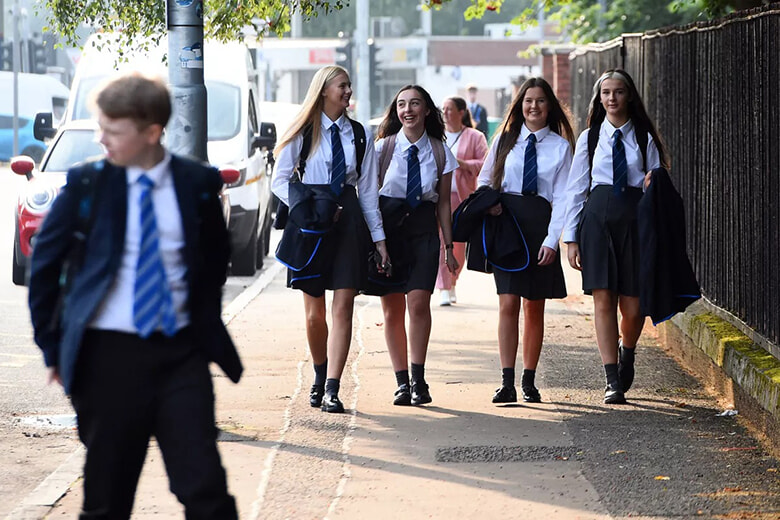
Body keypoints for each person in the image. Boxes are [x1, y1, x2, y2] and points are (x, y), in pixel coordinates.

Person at [27, 72, 241, 518]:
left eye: (112, 130)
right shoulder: (87, 185)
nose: (101, 138)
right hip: (108, 358)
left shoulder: (197, 185)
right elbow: (44, 270)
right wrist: (54, 350)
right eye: (100, 126)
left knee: (205, 489)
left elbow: (213, 265)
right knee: (107, 497)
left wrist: (200, 326)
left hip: (181, 355)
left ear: (151, 131)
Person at [272, 65, 388, 414]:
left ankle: (334, 388)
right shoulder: (303, 131)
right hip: (311, 222)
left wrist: (379, 240)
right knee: (313, 313)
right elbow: (279, 180)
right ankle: (319, 376)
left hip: (349, 217)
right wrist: (306, 207)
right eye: (342, 85)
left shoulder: (360, 134)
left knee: (344, 305)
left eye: (350, 85)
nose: (348, 91)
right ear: (323, 90)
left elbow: (367, 192)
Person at [562, 69, 669, 404]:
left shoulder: (643, 137)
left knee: (633, 306)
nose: (612, 98)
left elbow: (657, 179)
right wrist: (571, 237)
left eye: (618, 92)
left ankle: (628, 350)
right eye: (606, 92)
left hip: (635, 220)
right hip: (598, 220)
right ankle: (612, 379)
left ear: (629, 96)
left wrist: (655, 183)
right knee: (603, 298)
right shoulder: (590, 138)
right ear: (600, 98)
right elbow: (577, 189)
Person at [477, 77, 575, 404]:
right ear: (520, 106)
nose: (534, 106)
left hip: (539, 227)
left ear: (550, 107)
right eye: (528, 101)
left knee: (534, 306)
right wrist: (488, 202)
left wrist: (552, 240)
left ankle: (529, 379)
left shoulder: (561, 147)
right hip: (507, 224)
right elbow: (484, 179)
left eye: (540, 101)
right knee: (508, 302)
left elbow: (562, 197)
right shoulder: (505, 141)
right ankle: (506, 382)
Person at [374, 85, 459, 406]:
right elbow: (368, 195)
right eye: (401, 104)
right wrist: (375, 238)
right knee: (392, 309)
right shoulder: (382, 148)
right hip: (389, 231)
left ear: (426, 110)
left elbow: (443, 206)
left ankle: (418, 378)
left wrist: (449, 247)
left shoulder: (440, 152)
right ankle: (401, 382)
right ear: (396, 111)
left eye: (414, 104)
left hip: (424, 231)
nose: (407, 110)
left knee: (419, 304)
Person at [436, 96, 488, 306]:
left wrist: (462, 164)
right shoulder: (437, 137)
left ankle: (453, 281)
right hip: (440, 197)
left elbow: (485, 164)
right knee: (441, 241)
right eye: (444, 109)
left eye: (450, 109)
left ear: (461, 112)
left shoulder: (475, 136)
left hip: (463, 197)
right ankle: (443, 287)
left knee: (458, 244)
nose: (446, 113)